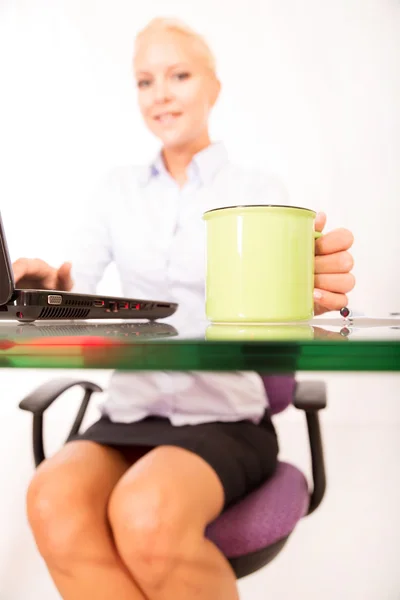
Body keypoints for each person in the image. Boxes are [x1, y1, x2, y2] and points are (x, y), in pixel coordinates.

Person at [14, 18, 355, 600]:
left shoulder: (257, 188)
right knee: (50, 500)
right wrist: (45, 287)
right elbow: (80, 288)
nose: (161, 93)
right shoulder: (115, 191)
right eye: (145, 81)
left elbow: (296, 302)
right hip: (130, 410)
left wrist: (317, 286)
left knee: (145, 511)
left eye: (179, 75)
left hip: (224, 416)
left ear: (213, 89)